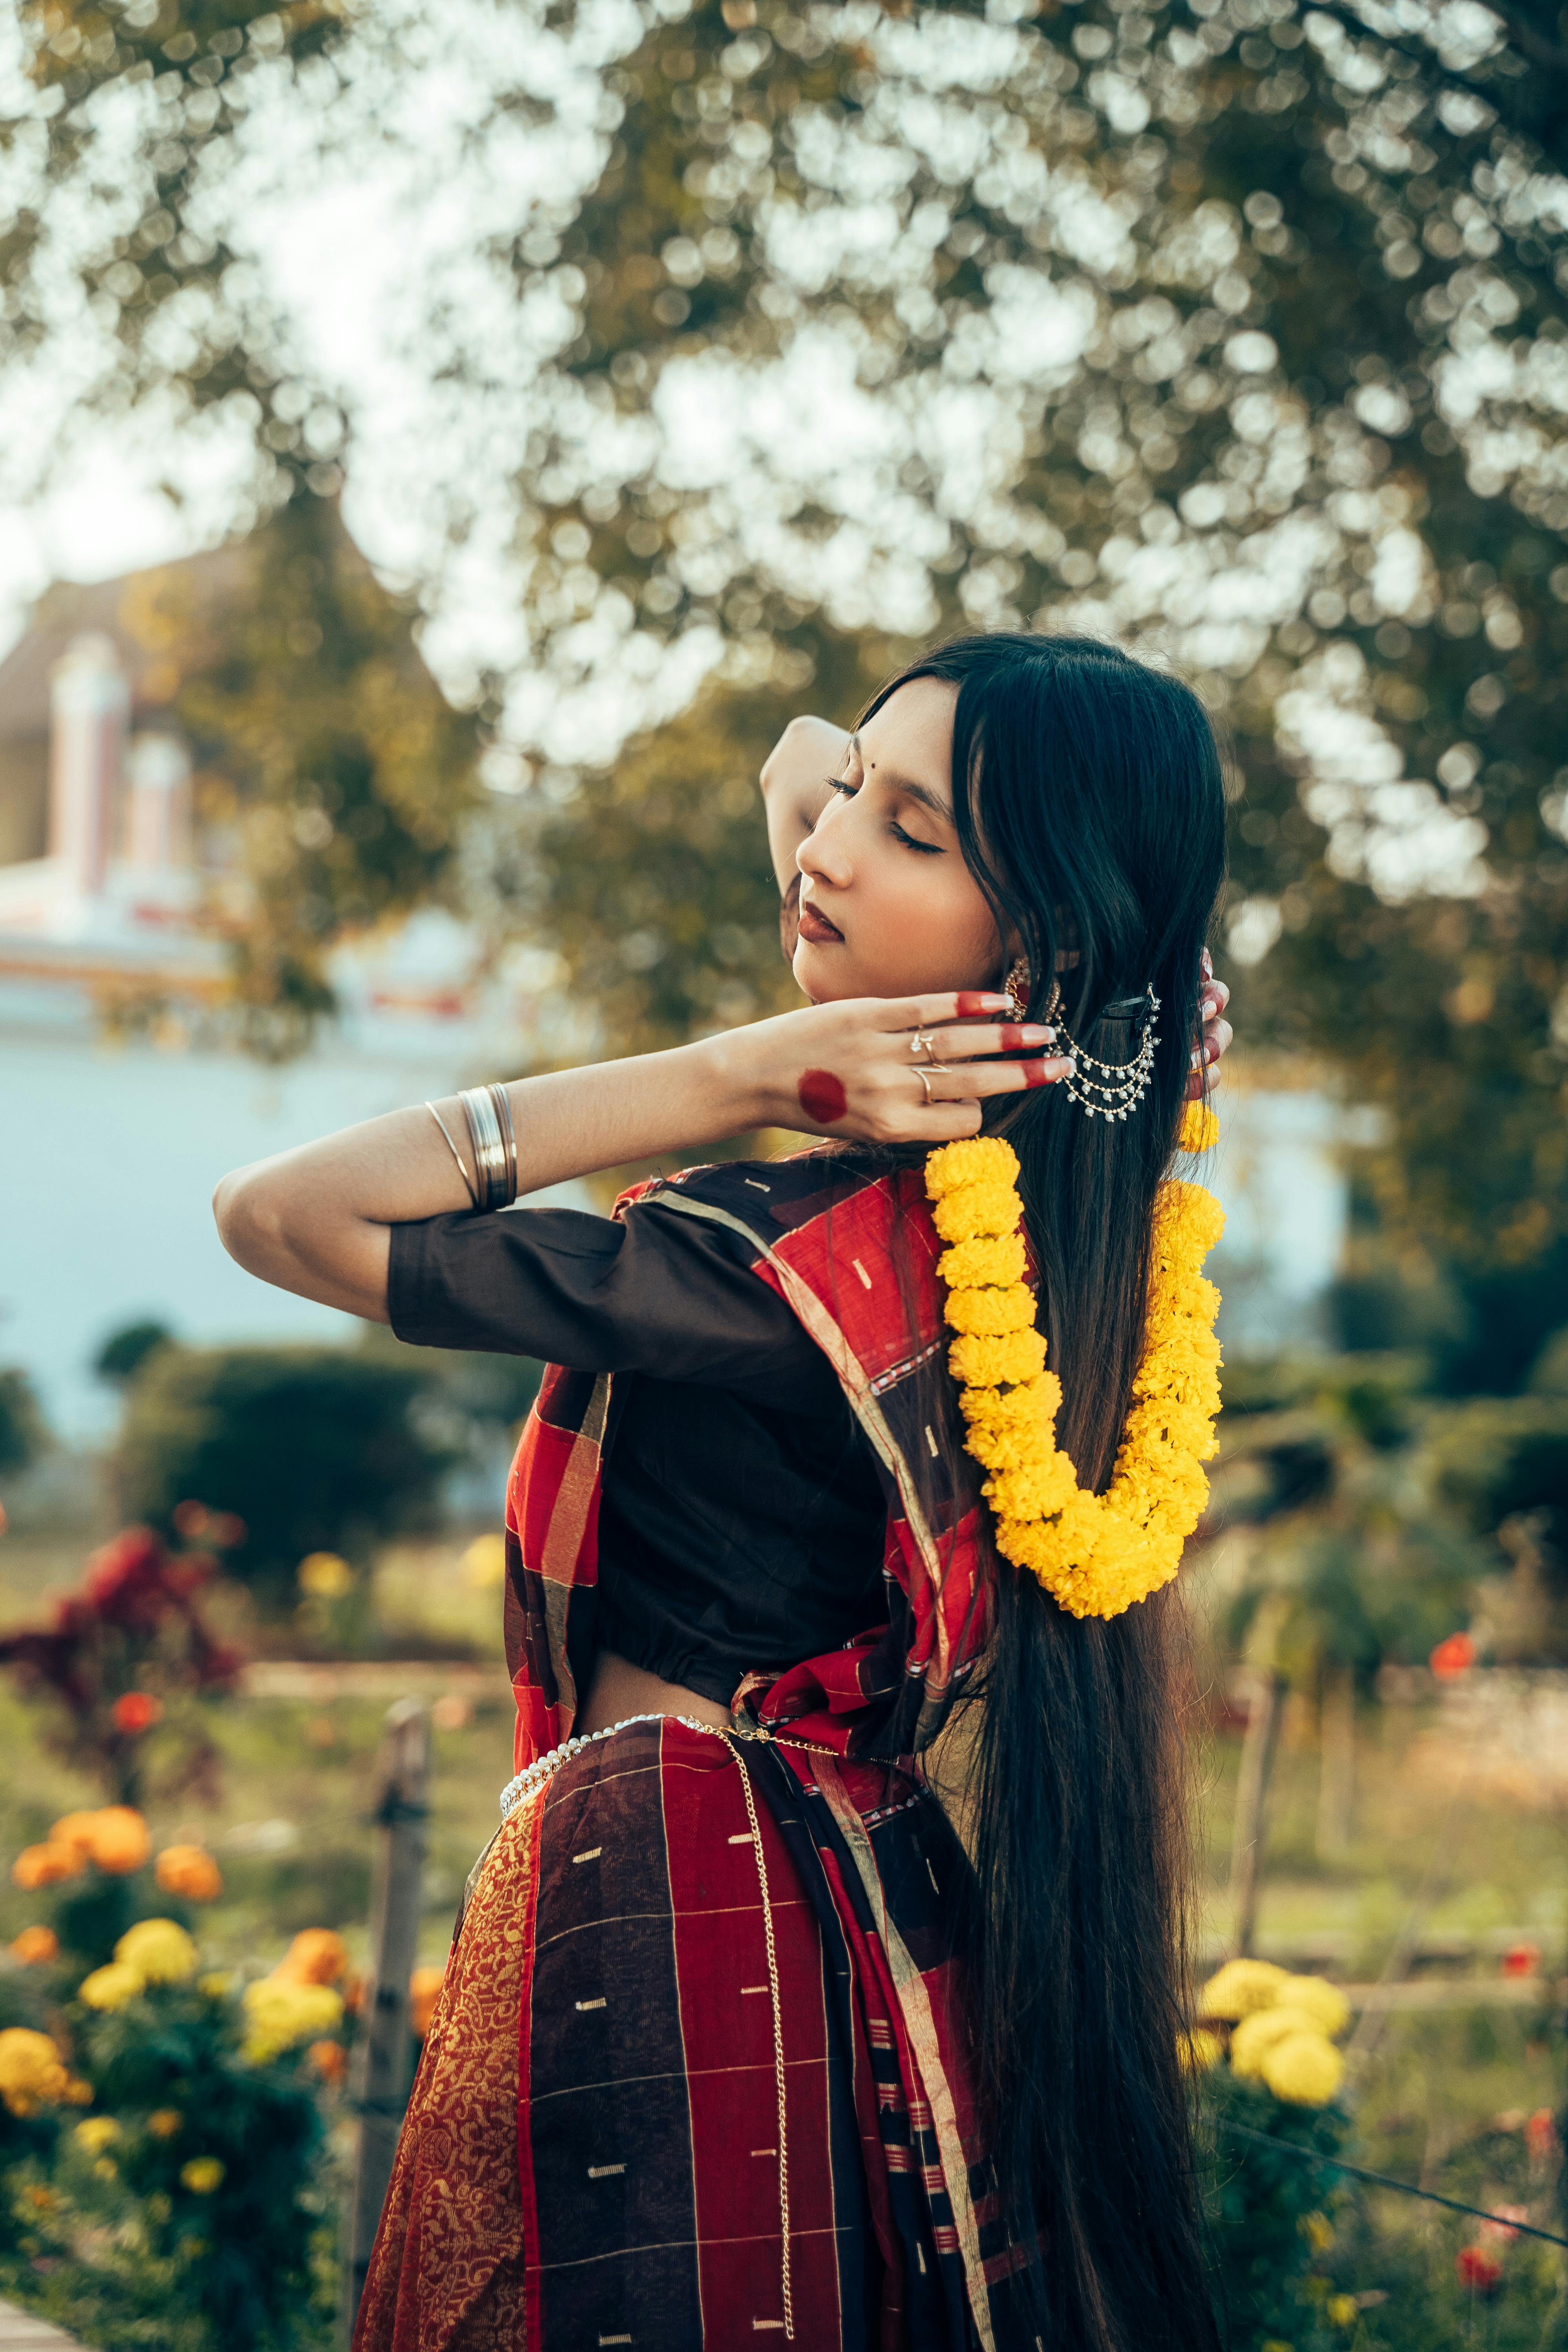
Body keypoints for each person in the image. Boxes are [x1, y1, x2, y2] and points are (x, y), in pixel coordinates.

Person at [214, 630, 1234, 2352]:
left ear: (1040, 945)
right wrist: (936, 883)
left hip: (673, 1899)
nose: (825, 845)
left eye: (909, 834)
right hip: (884, 1913)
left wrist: (742, 1065)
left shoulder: (766, 1285)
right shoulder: (1079, 1259)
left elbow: (284, 1213)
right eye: (852, 801)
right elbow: (799, 752)